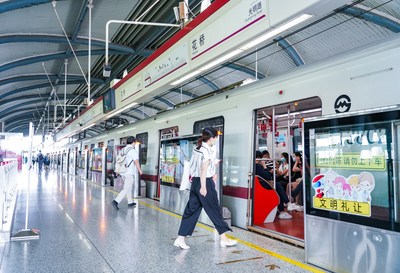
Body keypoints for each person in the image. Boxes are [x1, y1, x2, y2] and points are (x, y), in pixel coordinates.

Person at [174, 127, 237, 250]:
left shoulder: (197, 148)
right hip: (204, 182)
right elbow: (203, 169)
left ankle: (180, 238)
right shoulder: (206, 151)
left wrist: (212, 165)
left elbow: (197, 166)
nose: (216, 140)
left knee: (191, 210)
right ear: (212, 138)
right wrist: (204, 186)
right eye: (216, 138)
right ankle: (224, 239)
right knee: (214, 209)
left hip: (196, 182)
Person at [255, 151, 292, 220]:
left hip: (260, 183)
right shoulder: (258, 166)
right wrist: (265, 167)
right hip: (263, 184)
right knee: (277, 186)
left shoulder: (254, 166)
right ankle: (284, 207)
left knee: (277, 185)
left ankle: (285, 205)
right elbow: (267, 176)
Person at [112, 136, 143, 209]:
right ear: (133, 142)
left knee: (128, 187)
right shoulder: (132, 150)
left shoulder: (123, 150)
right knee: (126, 188)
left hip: (122, 172)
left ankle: (130, 202)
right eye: (135, 142)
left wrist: (117, 171)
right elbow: (136, 161)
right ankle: (116, 201)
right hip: (129, 172)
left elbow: (119, 161)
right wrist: (140, 170)